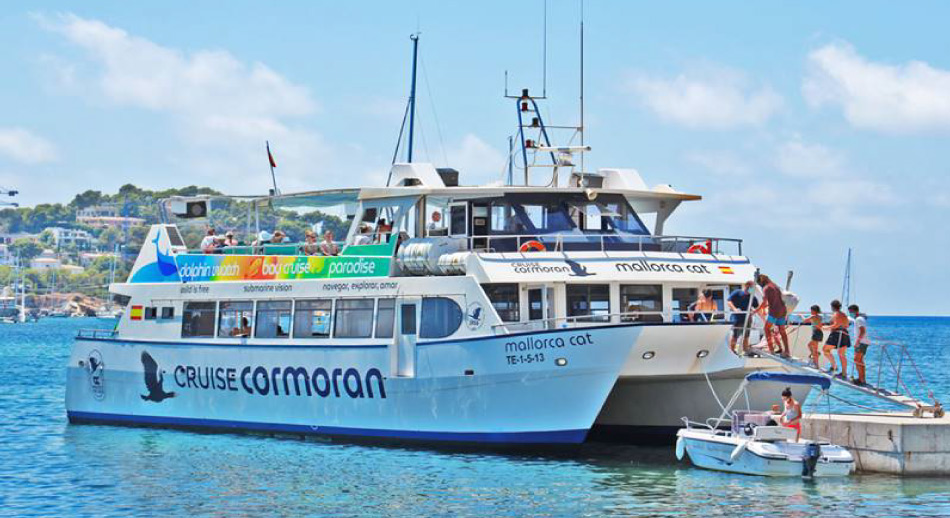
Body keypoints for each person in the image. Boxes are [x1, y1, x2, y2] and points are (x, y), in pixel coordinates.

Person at [758, 274, 790, 357]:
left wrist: (756, 310)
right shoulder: (775, 286)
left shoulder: (766, 288)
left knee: (766, 328)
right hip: (782, 311)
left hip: (774, 312)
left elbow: (764, 302)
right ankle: (787, 351)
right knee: (782, 331)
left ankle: (771, 350)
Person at [727, 280, 760, 354]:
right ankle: (731, 351)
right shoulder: (737, 292)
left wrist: (753, 312)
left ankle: (746, 350)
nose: (753, 289)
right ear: (746, 286)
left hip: (747, 319)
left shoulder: (752, 297)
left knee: (746, 336)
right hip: (737, 318)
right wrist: (734, 309)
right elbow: (729, 301)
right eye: (751, 287)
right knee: (735, 336)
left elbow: (757, 307)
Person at [823, 299, 851, 378]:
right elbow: (847, 325)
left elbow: (836, 325)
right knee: (842, 354)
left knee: (825, 350)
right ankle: (844, 373)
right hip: (845, 334)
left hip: (837, 334)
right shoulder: (844, 314)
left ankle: (834, 367)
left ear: (832, 307)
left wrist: (826, 328)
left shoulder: (836, 314)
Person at [850, 304, 869, 385]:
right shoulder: (860, 319)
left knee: (856, 360)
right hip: (863, 342)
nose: (850, 313)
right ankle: (862, 379)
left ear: (855, 311)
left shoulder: (858, 319)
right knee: (860, 361)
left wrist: (857, 341)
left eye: (851, 312)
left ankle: (861, 379)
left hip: (861, 342)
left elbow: (862, 331)